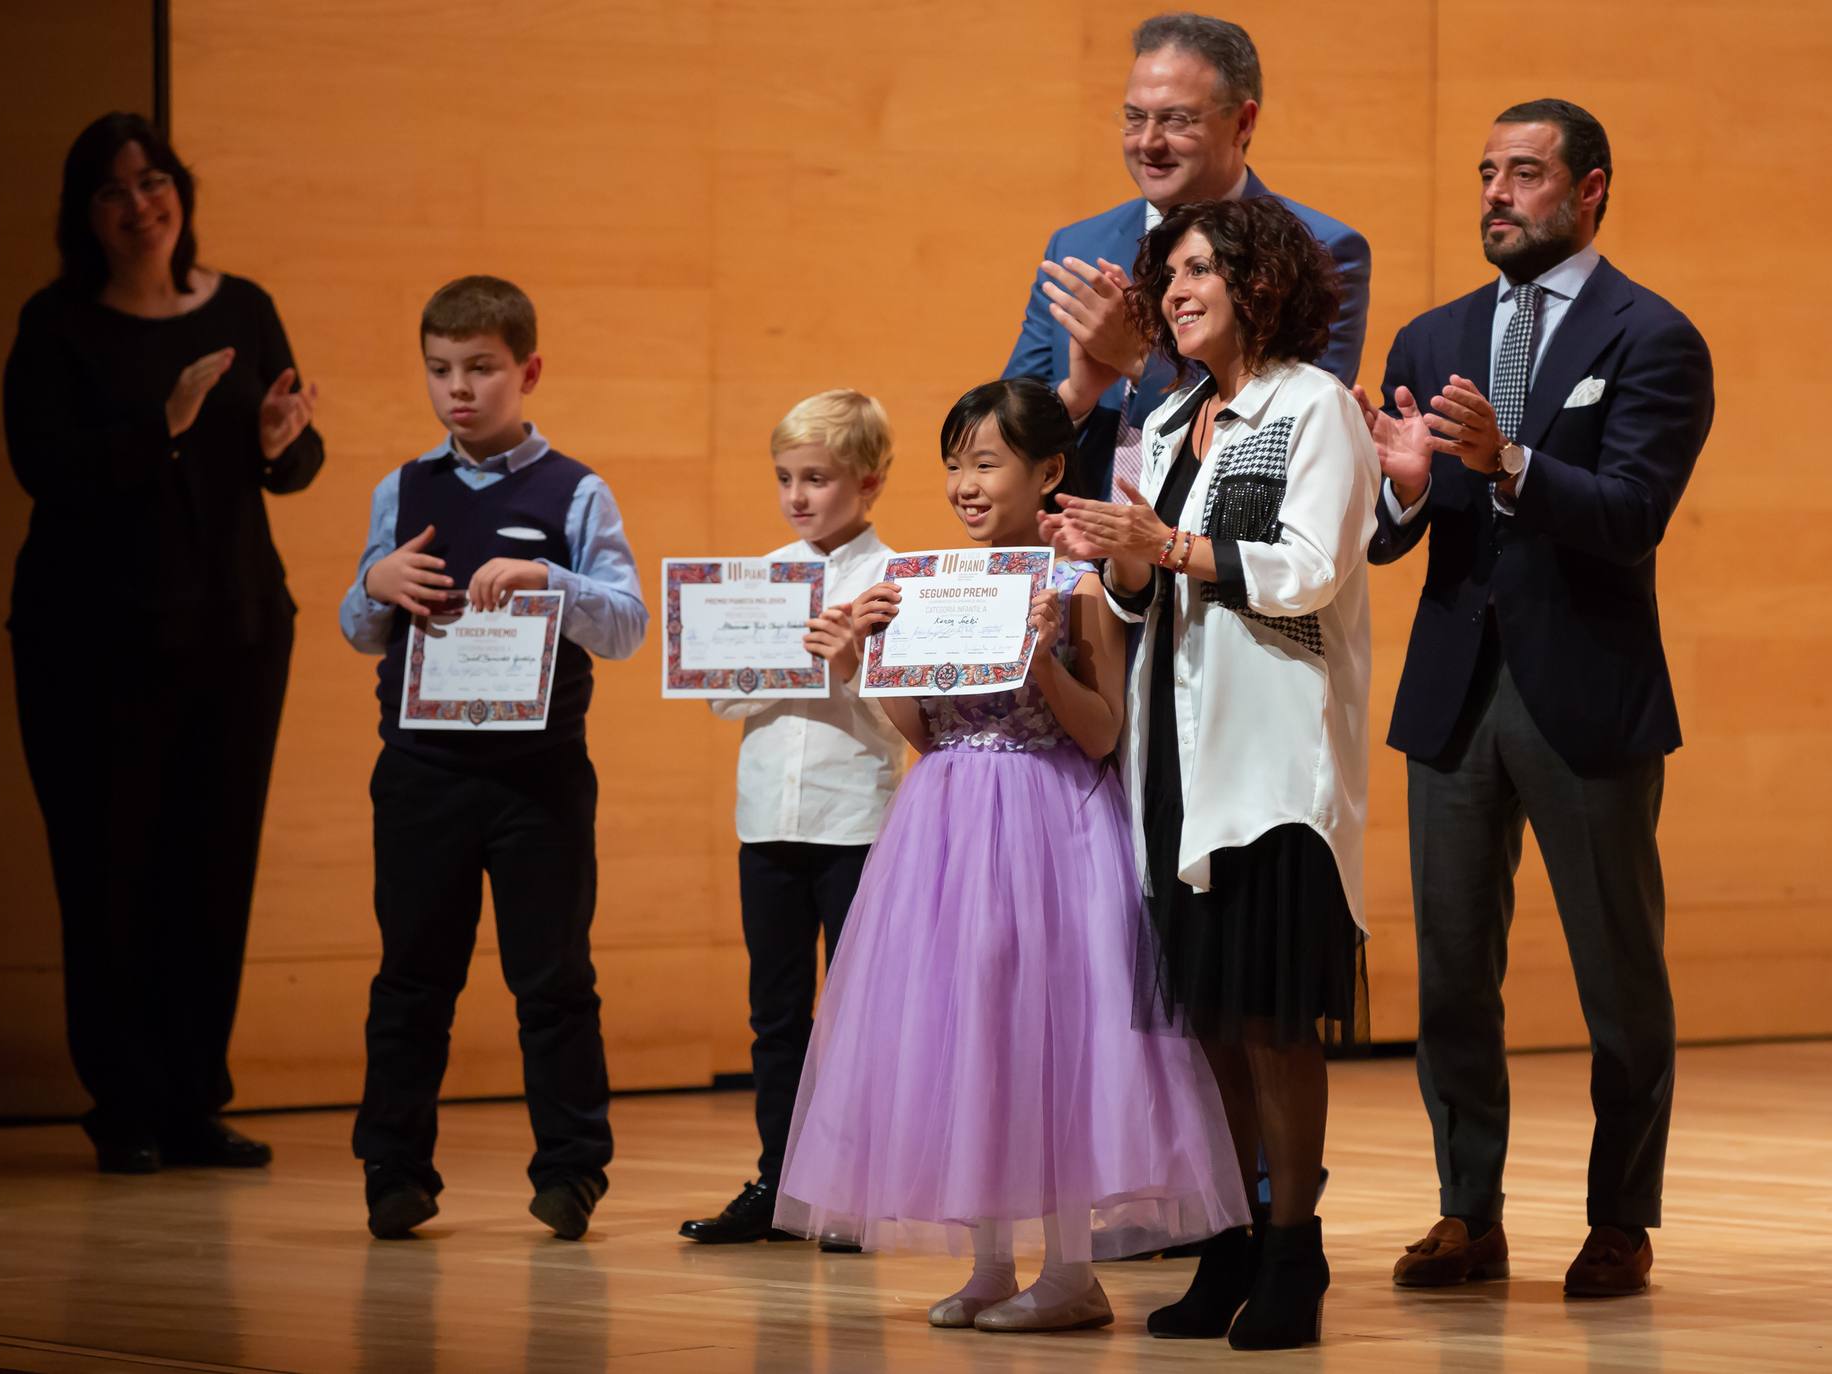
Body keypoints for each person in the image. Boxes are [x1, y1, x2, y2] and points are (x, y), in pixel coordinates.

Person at [773, 379, 1247, 1333]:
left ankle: (1071, 1271)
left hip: (1049, 817)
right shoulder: (931, 582)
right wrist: (869, 659)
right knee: (972, 1026)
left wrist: (1036, 661)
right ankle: (991, 1261)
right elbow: (923, 730)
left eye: (986, 463)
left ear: (1048, 474)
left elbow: (1104, 729)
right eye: (955, 464)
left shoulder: (1076, 589)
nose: (965, 484)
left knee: (1056, 1028)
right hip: (946, 822)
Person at [1358, 100, 1714, 1299]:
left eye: (1522, 174)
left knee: (1617, 971)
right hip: (1454, 692)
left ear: (1588, 190)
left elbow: (1627, 515)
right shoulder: (1428, 336)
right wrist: (1406, 492)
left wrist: (1505, 460)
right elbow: (1390, 538)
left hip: (1585, 691)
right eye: (1484, 174)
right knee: (1453, 968)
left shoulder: (1651, 337)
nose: (1495, 196)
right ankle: (1467, 1215)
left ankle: (1618, 1217)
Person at [1042, 195, 1376, 1349]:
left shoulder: (1314, 406)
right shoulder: (1174, 407)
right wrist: (1115, 560)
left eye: (1196, 272)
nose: (1173, 293)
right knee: (1210, 1021)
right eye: (1167, 275)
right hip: (1174, 746)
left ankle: (1296, 1254)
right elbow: (1144, 594)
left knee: (1274, 1020)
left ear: (1258, 281)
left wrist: (1165, 548)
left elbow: (1308, 570)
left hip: (1270, 757)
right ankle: (1229, 1243)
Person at [3, 112, 322, 1174]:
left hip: (234, 629)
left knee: (211, 867)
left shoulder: (244, 306)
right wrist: (165, 423)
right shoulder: (57, 326)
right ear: (83, 215)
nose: (139, 206)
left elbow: (289, 454)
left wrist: (281, 445)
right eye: (112, 191)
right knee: (107, 872)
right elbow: (43, 468)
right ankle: (125, 1109)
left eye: (153, 183)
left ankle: (194, 1102)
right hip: (89, 640)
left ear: (178, 192)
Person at [339, 275, 648, 1241]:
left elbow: (630, 624)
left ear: (529, 371)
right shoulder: (405, 486)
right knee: (412, 976)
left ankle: (570, 1172)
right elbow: (361, 630)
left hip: (538, 779)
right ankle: (393, 1170)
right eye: (439, 370)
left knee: (551, 978)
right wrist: (375, 585)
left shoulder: (574, 490)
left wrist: (549, 579)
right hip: (423, 772)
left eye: (480, 369)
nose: (457, 389)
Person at [678, 390, 906, 1246]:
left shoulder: (896, 585)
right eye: (785, 479)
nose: (798, 497)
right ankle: (778, 1185)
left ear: (870, 481)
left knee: (855, 1017)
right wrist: (784, 657)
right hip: (766, 824)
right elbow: (718, 702)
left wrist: (848, 662)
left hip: (855, 826)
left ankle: (849, 1194)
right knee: (775, 1017)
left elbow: (903, 724)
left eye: (817, 478)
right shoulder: (762, 577)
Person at [1005, 12, 1370, 503]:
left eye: (1177, 120)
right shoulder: (1077, 248)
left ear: (1243, 122)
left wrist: (1139, 361)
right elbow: (1005, 427)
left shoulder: (1319, 251)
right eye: (1135, 117)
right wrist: (1077, 397)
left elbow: (1290, 428)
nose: (1148, 142)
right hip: (1078, 556)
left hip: (1225, 557)